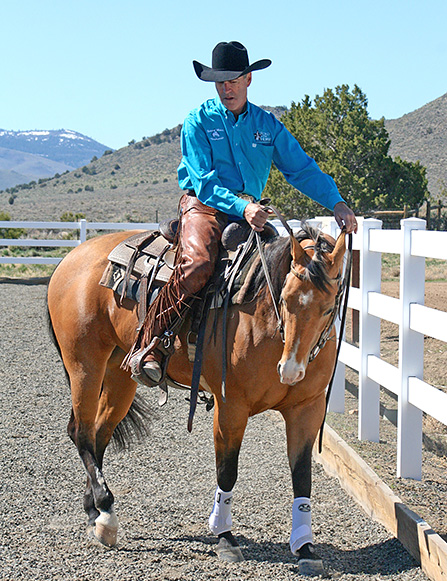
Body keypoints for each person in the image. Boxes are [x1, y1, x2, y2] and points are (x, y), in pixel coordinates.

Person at [127, 41, 358, 386]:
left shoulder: (267, 126)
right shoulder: (198, 121)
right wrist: (242, 207)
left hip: (251, 209)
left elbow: (301, 169)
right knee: (198, 267)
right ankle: (150, 342)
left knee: (282, 273)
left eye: (233, 80)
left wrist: (336, 201)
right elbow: (204, 182)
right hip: (204, 206)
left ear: (248, 79)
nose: (226, 88)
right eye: (220, 82)